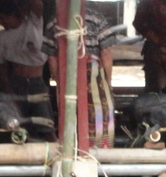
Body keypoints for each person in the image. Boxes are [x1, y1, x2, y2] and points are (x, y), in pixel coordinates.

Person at [43, 10, 118, 148]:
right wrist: (108, 81)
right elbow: (106, 52)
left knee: (69, 115)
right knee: (100, 115)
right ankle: (100, 150)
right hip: (94, 76)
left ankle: (72, 150)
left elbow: (51, 56)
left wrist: (59, 81)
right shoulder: (96, 17)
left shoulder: (54, 20)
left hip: (67, 74)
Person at [0, 0, 55, 141]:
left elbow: (37, 4)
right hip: (16, 83)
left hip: (38, 82)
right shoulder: (3, 37)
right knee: (18, 124)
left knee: (46, 123)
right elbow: (1, 68)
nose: (1, 22)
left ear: (13, 14)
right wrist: (8, 92)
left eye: (3, 18)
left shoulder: (33, 23)